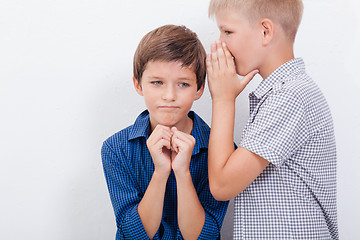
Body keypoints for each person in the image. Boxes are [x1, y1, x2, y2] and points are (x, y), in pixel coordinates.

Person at [205, 0, 338, 239]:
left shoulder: (289, 98)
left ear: (265, 31)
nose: (220, 43)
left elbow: (221, 185)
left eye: (228, 32)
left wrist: (223, 99)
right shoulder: (286, 93)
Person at [101, 24, 229, 240]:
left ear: (199, 89)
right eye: (157, 82)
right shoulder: (116, 148)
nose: (169, 95)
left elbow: (204, 236)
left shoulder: (220, 150)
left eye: (183, 84)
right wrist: (161, 173)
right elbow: (133, 235)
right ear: (138, 84)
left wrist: (182, 172)